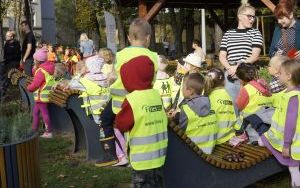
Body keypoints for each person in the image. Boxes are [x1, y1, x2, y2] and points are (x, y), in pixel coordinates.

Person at [100, 18, 158, 167]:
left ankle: (113, 154)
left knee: (106, 119)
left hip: (120, 101)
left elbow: (116, 75)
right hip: (143, 100)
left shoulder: (121, 54)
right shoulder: (153, 56)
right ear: (148, 37)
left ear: (128, 37)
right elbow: (152, 79)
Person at [115, 51, 168, 187]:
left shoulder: (132, 100)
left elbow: (121, 124)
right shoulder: (155, 95)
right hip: (159, 155)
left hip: (142, 159)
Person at [262, 59, 300, 187]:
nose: (278, 75)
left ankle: (295, 180)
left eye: (281, 73)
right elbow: (275, 99)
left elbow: (291, 123)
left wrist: (286, 145)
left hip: (291, 139)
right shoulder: (290, 92)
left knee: (293, 166)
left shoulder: (292, 97)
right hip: (291, 138)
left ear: (289, 76)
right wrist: (266, 91)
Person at [219, 3, 263, 104]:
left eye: (253, 16)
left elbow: (254, 56)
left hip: (247, 75)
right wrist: (230, 68)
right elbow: (222, 56)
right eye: (249, 16)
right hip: (230, 75)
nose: (252, 19)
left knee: (249, 107)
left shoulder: (255, 33)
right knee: (232, 107)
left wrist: (237, 67)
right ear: (239, 16)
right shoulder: (228, 34)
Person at [168, 73, 218, 154]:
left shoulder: (187, 109)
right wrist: (177, 115)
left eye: (183, 87)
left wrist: (173, 118)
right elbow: (196, 120)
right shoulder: (210, 104)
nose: (181, 89)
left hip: (193, 153)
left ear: (190, 91)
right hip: (209, 149)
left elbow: (180, 132)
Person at [232, 63, 273, 145]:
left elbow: (239, 105)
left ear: (241, 79)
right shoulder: (262, 85)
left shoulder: (246, 89)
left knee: (239, 119)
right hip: (267, 119)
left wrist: (241, 87)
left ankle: (241, 135)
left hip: (253, 121)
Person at [27, 48, 55, 138]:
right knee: (35, 112)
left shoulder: (41, 71)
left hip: (41, 96)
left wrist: (29, 88)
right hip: (45, 95)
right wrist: (35, 68)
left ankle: (49, 132)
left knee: (44, 113)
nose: (33, 60)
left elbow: (36, 83)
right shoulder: (47, 68)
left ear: (38, 61)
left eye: (35, 59)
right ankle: (34, 129)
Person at [204, 68, 237, 144]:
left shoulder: (208, 98)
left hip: (216, 140)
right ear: (224, 81)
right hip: (229, 136)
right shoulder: (227, 95)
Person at [0, 31, 21, 100]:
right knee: (5, 78)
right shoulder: (6, 43)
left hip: (13, 63)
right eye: (6, 36)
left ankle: (12, 94)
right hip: (7, 63)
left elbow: (17, 55)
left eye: (7, 36)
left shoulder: (16, 44)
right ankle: (5, 93)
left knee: (8, 78)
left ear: (12, 37)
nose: (6, 37)